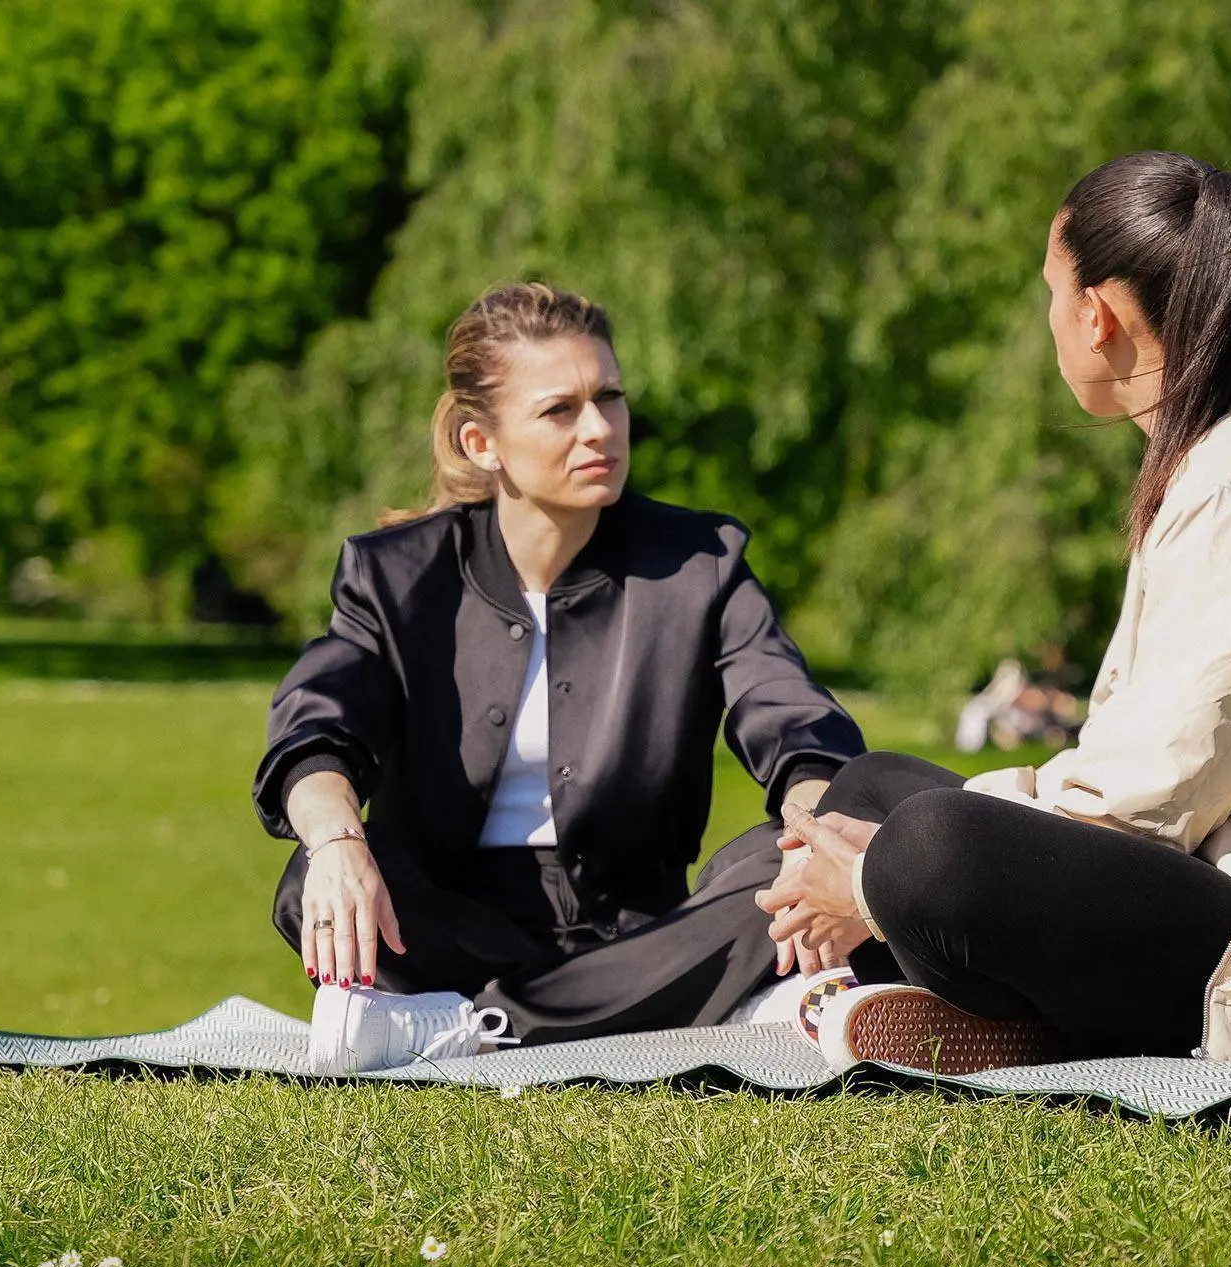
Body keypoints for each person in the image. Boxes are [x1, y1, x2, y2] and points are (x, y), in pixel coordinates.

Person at [756, 151, 1231, 1072]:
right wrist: (862, 847)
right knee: (868, 792)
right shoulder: (1225, 441)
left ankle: (966, 1005)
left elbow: (1147, 797)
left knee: (927, 848)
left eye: (1051, 294)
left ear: (1095, 315)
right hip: (1206, 875)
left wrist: (868, 878)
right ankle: (1000, 1022)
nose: (1051, 319)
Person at [256, 282, 864, 1073]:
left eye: (610, 398)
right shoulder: (396, 575)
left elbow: (791, 719)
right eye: (560, 410)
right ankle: (709, 1010)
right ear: (482, 442)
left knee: (768, 867)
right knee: (314, 871)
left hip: (642, 932)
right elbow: (318, 728)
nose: (600, 429)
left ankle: (470, 1026)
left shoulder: (701, 564)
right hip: (444, 927)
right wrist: (338, 840)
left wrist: (815, 835)